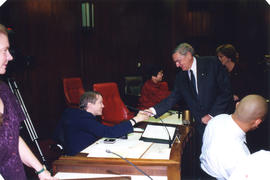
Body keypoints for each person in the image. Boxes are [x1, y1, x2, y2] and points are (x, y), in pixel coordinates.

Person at [0, 24, 56, 179]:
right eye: (5, 50)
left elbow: (13, 139)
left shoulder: (4, 90)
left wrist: (41, 171)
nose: (11, 57)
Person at [200, 94, 268, 180]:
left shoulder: (217, 119)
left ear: (237, 105)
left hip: (203, 172)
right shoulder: (240, 155)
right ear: (257, 122)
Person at [59, 91, 148, 156]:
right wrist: (135, 120)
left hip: (88, 150)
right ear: (90, 105)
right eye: (100, 103)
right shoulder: (83, 119)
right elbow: (108, 132)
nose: (103, 106)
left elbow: (102, 130)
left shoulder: (81, 115)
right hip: (79, 158)